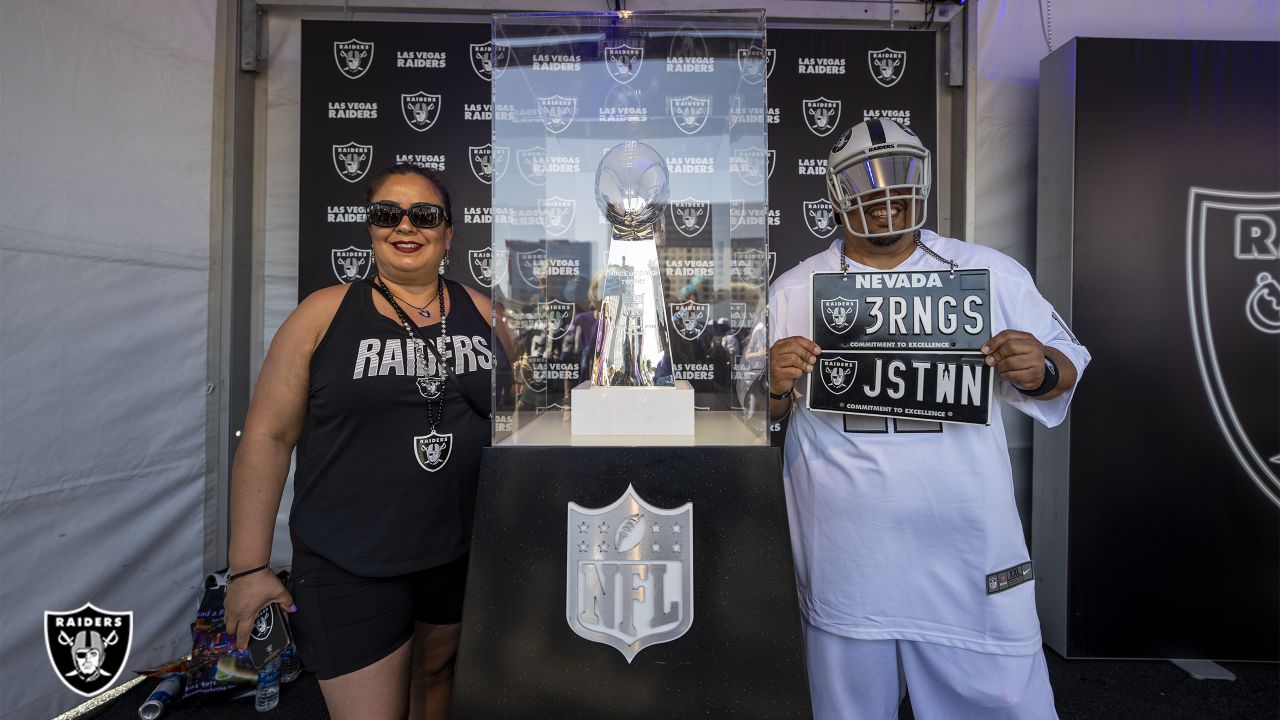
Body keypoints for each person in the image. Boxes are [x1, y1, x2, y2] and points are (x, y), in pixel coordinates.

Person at [767, 119, 1090, 719]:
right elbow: (760, 414)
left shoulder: (986, 271)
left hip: (970, 553)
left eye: (899, 175)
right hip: (850, 561)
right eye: (868, 179)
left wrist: (1039, 366)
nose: (887, 195)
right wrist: (773, 385)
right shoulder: (792, 291)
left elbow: (1067, 360)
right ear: (836, 193)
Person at [223, 163, 508, 720]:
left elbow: (518, 419)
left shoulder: (484, 312)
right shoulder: (321, 314)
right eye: (387, 214)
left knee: (434, 678)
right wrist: (248, 567)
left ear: (449, 231)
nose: (406, 226)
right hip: (349, 561)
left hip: (455, 551)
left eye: (424, 215)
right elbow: (268, 436)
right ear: (371, 227)